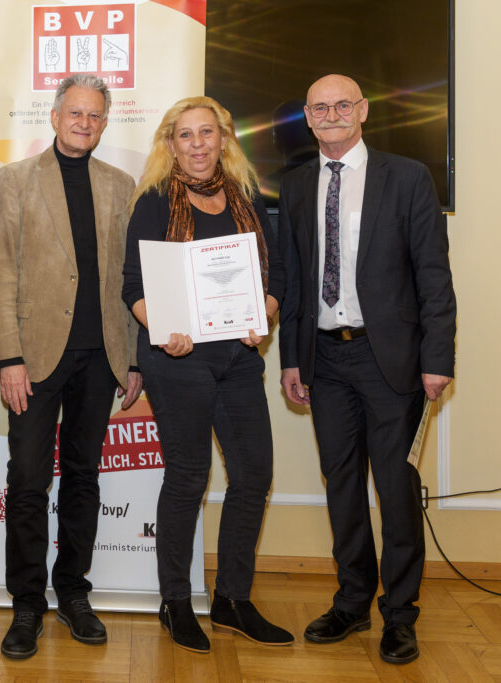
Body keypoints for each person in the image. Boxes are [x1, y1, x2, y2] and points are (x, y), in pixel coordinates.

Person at [279, 74, 456, 665]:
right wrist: (291, 359)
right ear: (307, 117)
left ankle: (399, 615)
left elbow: (434, 276)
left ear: (363, 111)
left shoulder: (406, 177)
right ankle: (353, 602)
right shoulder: (297, 185)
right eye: (319, 107)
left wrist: (437, 359)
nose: (331, 114)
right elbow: (293, 282)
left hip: (392, 364)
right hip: (324, 360)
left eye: (341, 105)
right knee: (343, 487)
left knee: (396, 491)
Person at [121, 96, 293, 653]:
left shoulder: (245, 198)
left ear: (224, 139)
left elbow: (272, 276)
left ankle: (232, 601)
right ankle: (176, 602)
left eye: (207, 133)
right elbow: (133, 287)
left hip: (239, 357)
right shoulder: (151, 201)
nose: (197, 144)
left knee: (252, 476)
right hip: (178, 360)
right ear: (170, 144)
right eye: (185, 135)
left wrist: (260, 317)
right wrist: (164, 327)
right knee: (189, 477)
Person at [0, 73, 143, 660]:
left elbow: (130, 281)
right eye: (74, 113)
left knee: (83, 478)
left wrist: (129, 358)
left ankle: (74, 593)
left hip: (100, 360)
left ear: (105, 123)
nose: (84, 122)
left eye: (95, 116)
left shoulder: (120, 184)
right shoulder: (16, 179)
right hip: (34, 359)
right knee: (27, 481)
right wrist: (8, 356)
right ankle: (27, 603)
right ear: (54, 118)